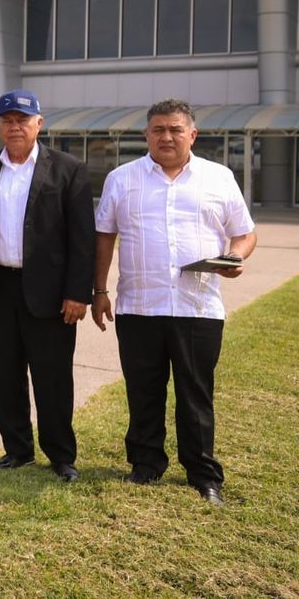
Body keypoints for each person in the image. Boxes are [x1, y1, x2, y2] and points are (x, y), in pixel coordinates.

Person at [92, 100, 256, 505]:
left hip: (197, 309)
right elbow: (104, 237)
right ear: (146, 135)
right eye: (158, 130)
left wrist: (236, 256)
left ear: (192, 135)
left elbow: (245, 233)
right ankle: (145, 466)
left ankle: (203, 475)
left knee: (195, 393)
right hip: (139, 307)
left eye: (175, 129)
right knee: (143, 391)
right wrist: (99, 290)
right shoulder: (121, 179)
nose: (166, 136)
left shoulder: (219, 178)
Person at [0, 89, 95, 482]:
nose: (14, 127)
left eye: (22, 120)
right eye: (7, 120)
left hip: (51, 294)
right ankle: (17, 450)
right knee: (6, 373)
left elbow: (83, 239)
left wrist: (77, 293)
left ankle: (61, 455)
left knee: (52, 376)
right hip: (0, 287)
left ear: (39, 123)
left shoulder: (68, 169)